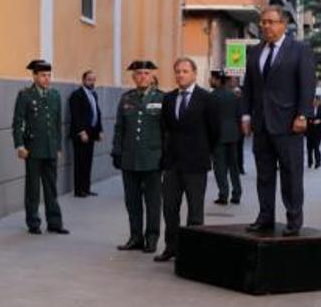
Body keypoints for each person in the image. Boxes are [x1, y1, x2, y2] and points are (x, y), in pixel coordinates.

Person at [241, 5, 316, 236]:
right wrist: (245, 115)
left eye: (270, 22)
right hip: (261, 123)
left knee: (291, 174)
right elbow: (249, 88)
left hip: (289, 123)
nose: (265, 26)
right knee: (264, 174)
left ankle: (294, 220)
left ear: (283, 24)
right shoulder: (254, 52)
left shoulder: (299, 50)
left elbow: (307, 85)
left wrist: (303, 115)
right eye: (262, 22)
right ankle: (265, 217)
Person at [157, 59, 219, 262]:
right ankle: (171, 247)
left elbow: (214, 131)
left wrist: (203, 152)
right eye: (177, 71)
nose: (180, 75)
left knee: (195, 210)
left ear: (194, 73)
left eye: (184, 71)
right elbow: (164, 129)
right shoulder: (168, 98)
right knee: (170, 208)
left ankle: (193, 251)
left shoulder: (206, 99)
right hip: (173, 164)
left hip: (195, 163)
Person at [112, 60, 164, 254]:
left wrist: (165, 156)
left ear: (151, 77)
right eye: (139, 73)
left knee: (152, 201)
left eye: (146, 73)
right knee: (132, 200)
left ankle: (152, 237)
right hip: (130, 158)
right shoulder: (126, 99)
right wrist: (117, 152)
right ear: (133, 77)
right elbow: (120, 128)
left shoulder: (161, 98)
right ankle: (136, 237)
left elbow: (166, 131)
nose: (142, 76)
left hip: (153, 158)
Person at [13, 60, 67, 234]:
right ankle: (33, 223)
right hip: (33, 149)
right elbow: (17, 122)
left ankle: (55, 223)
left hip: (50, 149)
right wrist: (19, 145)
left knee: (51, 187)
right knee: (33, 189)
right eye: (43, 75)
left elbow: (58, 124)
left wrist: (58, 147)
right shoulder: (25, 95)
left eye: (49, 75)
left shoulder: (55, 95)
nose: (47, 79)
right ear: (35, 76)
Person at [209, 70, 243, 205]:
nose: (210, 80)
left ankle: (223, 194)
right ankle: (237, 194)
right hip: (233, 135)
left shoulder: (212, 96)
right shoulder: (233, 95)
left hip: (218, 136)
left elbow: (210, 119)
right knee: (234, 166)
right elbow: (238, 115)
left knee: (220, 167)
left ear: (218, 80)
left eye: (212, 78)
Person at [67, 69, 103, 197]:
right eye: (89, 79)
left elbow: (97, 113)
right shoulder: (77, 95)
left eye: (93, 80)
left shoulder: (94, 94)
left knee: (88, 162)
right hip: (81, 135)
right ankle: (79, 190)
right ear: (83, 80)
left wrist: (99, 130)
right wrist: (81, 132)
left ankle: (86, 188)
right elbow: (76, 115)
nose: (91, 82)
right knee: (80, 163)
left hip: (91, 133)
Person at [306, 96, 321, 169]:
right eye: (313, 101)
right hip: (309, 131)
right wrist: (309, 121)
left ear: (318, 101)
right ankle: (310, 162)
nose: (314, 102)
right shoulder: (309, 109)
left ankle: (318, 162)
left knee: (316, 147)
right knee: (309, 148)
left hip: (318, 131)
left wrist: (320, 121)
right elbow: (305, 117)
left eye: (315, 101)